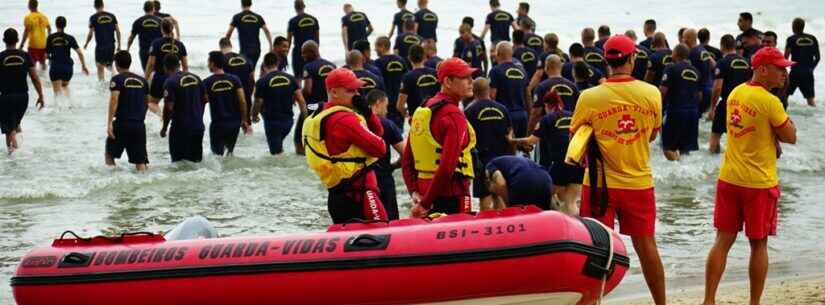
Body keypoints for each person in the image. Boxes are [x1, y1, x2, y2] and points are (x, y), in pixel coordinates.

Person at [570, 35, 666, 305]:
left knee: (596, 250)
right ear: (633, 59)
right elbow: (652, 136)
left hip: (599, 185)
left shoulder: (589, 97)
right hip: (638, 183)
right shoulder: (652, 93)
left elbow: (576, 140)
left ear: (606, 61)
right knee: (646, 246)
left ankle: (591, 302)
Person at [702, 46, 797, 305]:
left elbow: (749, 131)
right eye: (780, 68)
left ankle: (708, 300)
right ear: (762, 69)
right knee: (759, 245)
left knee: (722, 241)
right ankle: (754, 303)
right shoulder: (770, 101)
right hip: (758, 183)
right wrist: (786, 129)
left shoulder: (735, 93)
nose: (784, 74)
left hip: (729, 179)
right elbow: (791, 137)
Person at [302, 68, 388, 223]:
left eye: (357, 90)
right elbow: (381, 148)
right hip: (360, 195)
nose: (357, 95)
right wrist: (368, 113)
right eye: (351, 91)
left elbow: (378, 132)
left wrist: (367, 113)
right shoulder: (345, 120)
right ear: (334, 92)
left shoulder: (318, 115)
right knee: (381, 231)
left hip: (337, 195)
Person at [403, 57, 477, 217]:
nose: (471, 81)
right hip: (451, 195)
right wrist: (425, 204)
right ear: (448, 82)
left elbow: (407, 159)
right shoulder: (452, 114)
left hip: (424, 192)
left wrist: (414, 192)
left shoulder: (423, 108)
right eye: (465, 77)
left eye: (471, 77)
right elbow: (446, 168)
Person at [515, 91, 582, 215]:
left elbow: (532, 141)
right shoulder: (573, 115)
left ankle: (542, 224)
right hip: (579, 162)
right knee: (570, 202)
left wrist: (513, 141)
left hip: (561, 163)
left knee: (545, 194)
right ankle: (573, 228)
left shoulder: (547, 119)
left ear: (546, 105)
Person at [465, 77, 512, 210]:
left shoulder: (469, 111)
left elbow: (466, 138)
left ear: (473, 91)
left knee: (485, 196)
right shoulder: (502, 109)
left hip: (481, 159)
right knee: (499, 194)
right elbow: (509, 134)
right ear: (490, 90)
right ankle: (503, 224)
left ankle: (486, 225)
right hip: (501, 158)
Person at [105, 51, 153, 171]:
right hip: (138, 125)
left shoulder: (117, 79)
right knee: (140, 161)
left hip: (122, 124)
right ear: (130, 63)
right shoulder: (143, 81)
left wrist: (110, 122)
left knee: (110, 155)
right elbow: (147, 103)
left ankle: (113, 181)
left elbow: (114, 99)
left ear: (116, 64)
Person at [1, 28, 45, 155]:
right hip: (23, 98)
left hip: (6, 98)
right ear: (18, 40)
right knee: (15, 124)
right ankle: (21, 149)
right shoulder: (25, 55)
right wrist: (41, 95)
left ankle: (16, 158)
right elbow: (35, 77)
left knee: (9, 130)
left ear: (4, 40)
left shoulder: (1, 57)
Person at [254, 53, 307, 156]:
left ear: (264, 64)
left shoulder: (262, 82)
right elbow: (301, 100)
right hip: (288, 122)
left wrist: (254, 115)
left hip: (272, 123)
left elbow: (258, 102)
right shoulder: (291, 78)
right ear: (277, 63)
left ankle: (283, 171)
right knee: (279, 149)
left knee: (276, 154)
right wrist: (305, 118)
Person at [709, 34, 751, 154]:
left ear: (722, 46)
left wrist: (712, 108)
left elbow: (717, 88)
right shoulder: (747, 62)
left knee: (715, 137)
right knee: (740, 137)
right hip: (744, 105)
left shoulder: (722, 63)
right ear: (734, 46)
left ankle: (714, 167)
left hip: (727, 104)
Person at [203, 51, 251, 156]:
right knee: (229, 154)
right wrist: (244, 120)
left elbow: (203, 101)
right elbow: (242, 101)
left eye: (208, 62)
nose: (208, 65)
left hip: (218, 124)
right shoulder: (234, 79)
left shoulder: (207, 82)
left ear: (212, 63)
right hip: (234, 124)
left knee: (217, 156)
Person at [159, 54, 205, 163]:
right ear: (179, 65)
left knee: (178, 164)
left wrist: (164, 127)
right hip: (198, 128)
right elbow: (205, 99)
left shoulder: (170, 82)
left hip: (181, 129)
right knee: (196, 163)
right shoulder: (196, 77)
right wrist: (198, 116)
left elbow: (168, 108)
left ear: (165, 67)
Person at [660, 44, 702, 161]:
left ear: (675, 54)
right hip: (693, 113)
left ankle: (676, 166)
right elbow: (700, 95)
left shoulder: (671, 68)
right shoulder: (696, 71)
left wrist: (657, 108)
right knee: (684, 149)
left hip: (676, 111)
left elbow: (662, 91)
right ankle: (685, 171)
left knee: (667, 147)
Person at [367, 90, 405, 220]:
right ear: (378, 103)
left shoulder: (356, 122)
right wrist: (394, 165)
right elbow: (406, 153)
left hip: (361, 181)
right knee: (390, 221)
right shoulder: (386, 124)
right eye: (386, 106)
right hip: (383, 179)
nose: (387, 111)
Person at [297, 41, 336, 155]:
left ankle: (304, 161)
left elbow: (308, 89)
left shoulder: (308, 67)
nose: (302, 56)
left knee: (299, 138)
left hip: (312, 107)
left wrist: (298, 96)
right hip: (329, 108)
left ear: (312, 52)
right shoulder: (332, 66)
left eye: (304, 53)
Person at [145, 19, 187, 109]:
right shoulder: (180, 45)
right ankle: (169, 120)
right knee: (174, 105)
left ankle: (161, 118)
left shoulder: (156, 43)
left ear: (161, 29)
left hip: (159, 78)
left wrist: (145, 78)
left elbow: (151, 64)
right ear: (172, 29)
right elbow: (185, 67)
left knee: (151, 103)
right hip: (176, 79)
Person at [490, 42, 529, 137]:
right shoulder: (522, 71)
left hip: (505, 116)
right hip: (522, 115)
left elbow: (492, 96)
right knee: (522, 147)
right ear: (511, 54)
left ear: (498, 54)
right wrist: (529, 114)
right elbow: (528, 95)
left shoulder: (495, 71)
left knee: (506, 149)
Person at [530, 55, 579, 131]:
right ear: (561, 67)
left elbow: (535, 113)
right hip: (569, 130)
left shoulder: (541, 87)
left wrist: (530, 131)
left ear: (546, 68)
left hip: (549, 131)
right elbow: (578, 110)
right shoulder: (573, 86)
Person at [484, 156, 552, 209]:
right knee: (541, 215)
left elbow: (501, 184)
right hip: (545, 178)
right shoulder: (509, 162)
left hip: (522, 179)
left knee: (518, 217)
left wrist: (509, 205)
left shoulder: (490, 166)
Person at [45, 16, 90, 97]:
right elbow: (80, 53)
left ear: (56, 25)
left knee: (57, 94)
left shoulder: (50, 38)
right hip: (67, 68)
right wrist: (84, 66)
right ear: (65, 25)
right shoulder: (70, 38)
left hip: (55, 67)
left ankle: (60, 108)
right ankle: (70, 105)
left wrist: (49, 59)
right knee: (65, 87)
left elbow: (46, 55)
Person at [226, 0, 273, 69]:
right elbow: (267, 31)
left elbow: (229, 33)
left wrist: (227, 46)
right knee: (251, 70)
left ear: (241, 4)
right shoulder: (258, 17)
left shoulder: (237, 17)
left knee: (245, 71)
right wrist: (270, 45)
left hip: (244, 50)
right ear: (251, 4)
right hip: (256, 50)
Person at [398, 44, 440, 121]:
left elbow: (400, 105)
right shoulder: (435, 73)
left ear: (409, 58)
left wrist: (406, 115)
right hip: (436, 115)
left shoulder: (408, 77)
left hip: (418, 119)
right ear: (424, 57)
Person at [375, 36, 408, 128]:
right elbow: (406, 81)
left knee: (386, 130)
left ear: (383, 46)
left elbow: (376, 84)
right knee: (399, 132)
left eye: (376, 47)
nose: (375, 49)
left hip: (385, 103)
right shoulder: (401, 60)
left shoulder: (378, 63)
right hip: (399, 101)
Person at [785, 18, 819, 107]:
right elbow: (818, 58)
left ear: (793, 27)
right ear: (803, 26)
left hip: (795, 72)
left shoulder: (791, 39)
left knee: (784, 96)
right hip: (808, 73)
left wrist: (784, 71)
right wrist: (811, 68)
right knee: (811, 100)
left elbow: (785, 58)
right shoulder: (812, 38)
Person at [219, 38, 254, 124]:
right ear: (231, 46)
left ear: (220, 48)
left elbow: (220, 81)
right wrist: (249, 93)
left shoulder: (221, 61)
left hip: (230, 98)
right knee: (247, 124)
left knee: (231, 126)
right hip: (246, 96)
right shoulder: (245, 58)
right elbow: (252, 79)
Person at [84, 0, 121, 81]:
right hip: (111, 46)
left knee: (99, 66)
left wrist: (86, 43)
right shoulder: (112, 16)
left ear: (95, 6)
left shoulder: (93, 17)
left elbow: (90, 34)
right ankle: (116, 81)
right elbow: (118, 31)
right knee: (110, 66)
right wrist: (119, 45)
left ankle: (102, 87)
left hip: (100, 46)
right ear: (103, 5)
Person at [683, 28, 716, 116]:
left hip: (700, 91)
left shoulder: (692, 53)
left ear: (689, 38)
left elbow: (694, 75)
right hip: (710, 88)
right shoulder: (703, 50)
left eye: (684, 38)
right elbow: (714, 65)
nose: (683, 40)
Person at [286, 0, 319, 78]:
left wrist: (285, 55)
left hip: (299, 52)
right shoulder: (313, 19)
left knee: (298, 77)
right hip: (312, 51)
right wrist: (317, 52)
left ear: (295, 8)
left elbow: (289, 40)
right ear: (304, 6)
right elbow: (317, 38)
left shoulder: (292, 21)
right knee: (313, 75)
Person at [127, 1, 162, 70]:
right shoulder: (160, 21)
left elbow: (131, 38)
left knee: (146, 72)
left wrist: (128, 49)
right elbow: (166, 35)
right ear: (153, 9)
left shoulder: (138, 21)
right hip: (157, 52)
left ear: (144, 9)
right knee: (156, 72)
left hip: (144, 52)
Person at [21, 0, 51, 71]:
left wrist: (22, 45)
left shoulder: (28, 17)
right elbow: (49, 29)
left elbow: (26, 32)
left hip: (33, 44)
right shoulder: (43, 16)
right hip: (43, 44)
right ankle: (44, 79)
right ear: (37, 5)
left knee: (32, 65)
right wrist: (48, 42)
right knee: (43, 64)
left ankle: (34, 80)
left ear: (29, 6)